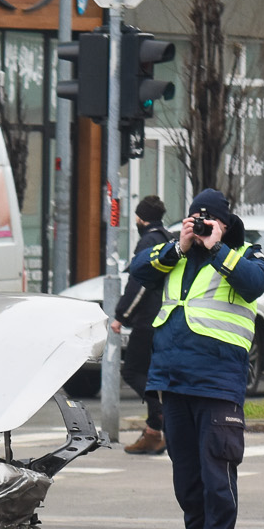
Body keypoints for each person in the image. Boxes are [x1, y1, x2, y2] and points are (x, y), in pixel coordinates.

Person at [128, 188, 264, 529]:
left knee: (216, 469)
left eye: (210, 220)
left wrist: (218, 248)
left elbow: (255, 284)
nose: (203, 225)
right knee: (186, 473)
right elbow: (138, 270)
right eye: (196, 219)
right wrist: (180, 244)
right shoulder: (177, 257)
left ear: (226, 224)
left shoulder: (244, 255)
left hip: (218, 382)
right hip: (173, 379)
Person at [116, 195, 169, 455]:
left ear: (141, 218)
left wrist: (121, 316)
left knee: (132, 372)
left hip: (148, 319)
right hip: (164, 319)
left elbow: (140, 282)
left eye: (137, 216)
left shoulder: (149, 241)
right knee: (152, 374)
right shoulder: (167, 238)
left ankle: (160, 415)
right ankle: (152, 434)